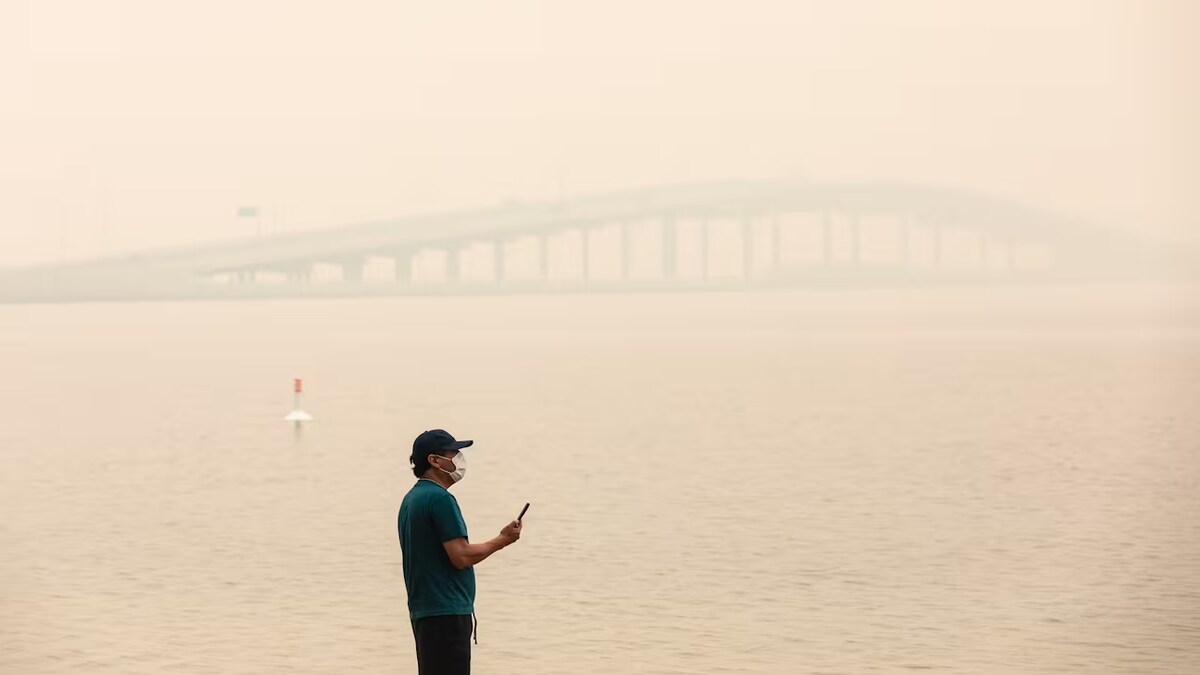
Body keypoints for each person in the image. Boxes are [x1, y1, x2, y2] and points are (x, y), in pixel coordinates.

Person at [398, 429, 522, 675]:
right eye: (453, 454)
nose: (459, 459)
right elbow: (461, 556)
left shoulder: (412, 499)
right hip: (446, 612)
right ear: (434, 460)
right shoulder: (440, 499)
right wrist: (503, 540)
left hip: (425, 611)